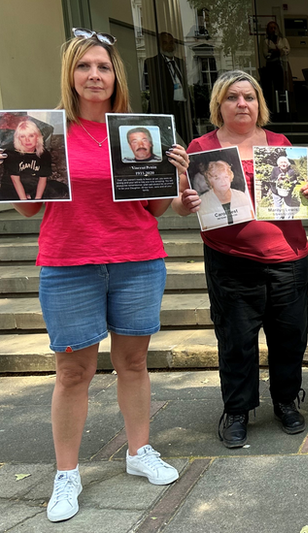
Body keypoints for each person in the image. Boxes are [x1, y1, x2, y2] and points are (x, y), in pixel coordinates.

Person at [4, 28, 186, 523]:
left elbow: (155, 207)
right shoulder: (48, 132)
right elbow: (25, 208)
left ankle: (138, 451)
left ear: (115, 75)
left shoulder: (136, 132)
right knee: (72, 372)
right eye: (85, 66)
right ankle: (67, 473)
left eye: (103, 66)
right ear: (71, 75)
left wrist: (175, 176)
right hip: (68, 263)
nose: (94, 75)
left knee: (133, 363)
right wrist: (15, 165)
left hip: (136, 259)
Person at [172, 70, 308, 448]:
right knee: (236, 340)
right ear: (218, 105)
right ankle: (238, 410)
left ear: (260, 105)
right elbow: (179, 204)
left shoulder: (279, 143)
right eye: (232, 97)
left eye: (250, 97)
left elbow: (298, 191)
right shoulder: (201, 149)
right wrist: (184, 204)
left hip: (287, 257)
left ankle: (286, 402)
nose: (242, 104)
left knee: (289, 337)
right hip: (231, 261)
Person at [1, 118, 68, 200]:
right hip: (13, 187)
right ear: (18, 138)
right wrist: (24, 200)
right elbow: (15, 180)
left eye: (31, 136)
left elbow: (42, 179)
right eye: (22, 136)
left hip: (34, 186)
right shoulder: (11, 153)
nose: (27, 140)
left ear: (37, 137)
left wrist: (37, 199)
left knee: (58, 188)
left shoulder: (44, 154)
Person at [142, 32, 190, 141]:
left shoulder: (180, 62)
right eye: (165, 43)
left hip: (182, 110)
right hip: (165, 109)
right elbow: (148, 88)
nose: (169, 46)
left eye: (171, 42)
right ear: (159, 45)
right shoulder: (152, 63)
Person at [196, 159, 254, 230]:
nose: (223, 181)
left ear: (230, 177)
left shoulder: (241, 196)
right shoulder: (203, 201)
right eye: (217, 178)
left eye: (226, 177)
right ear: (210, 181)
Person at [262, 20, 291, 113]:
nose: (273, 30)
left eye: (275, 28)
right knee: (269, 89)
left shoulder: (283, 40)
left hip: (281, 65)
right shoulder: (266, 41)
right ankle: (271, 110)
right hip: (270, 66)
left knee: (281, 87)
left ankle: (282, 109)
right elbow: (266, 54)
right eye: (271, 28)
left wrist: (280, 51)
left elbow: (287, 50)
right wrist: (273, 53)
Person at [270, 155, 301, 219]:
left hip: (287, 191)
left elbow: (294, 181)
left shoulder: (291, 171)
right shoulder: (275, 170)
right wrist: (278, 179)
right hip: (276, 191)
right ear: (278, 165)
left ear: (288, 164)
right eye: (281, 163)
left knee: (288, 206)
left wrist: (289, 181)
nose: (283, 164)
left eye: (285, 162)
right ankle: (278, 220)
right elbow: (271, 180)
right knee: (277, 207)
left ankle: (288, 220)